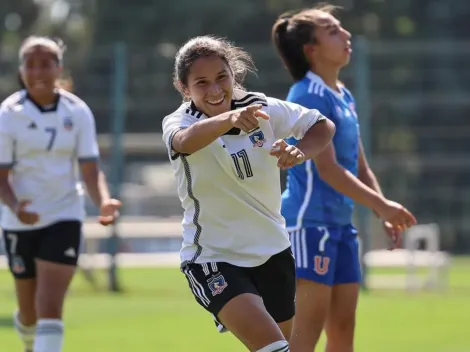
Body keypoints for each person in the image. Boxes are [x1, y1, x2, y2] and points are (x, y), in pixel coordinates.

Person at [163, 35, 335, 352]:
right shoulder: (180, 121)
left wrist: (299, 152)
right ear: (184, 88)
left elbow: (321, 125)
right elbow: (184, 141)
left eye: (221, 78)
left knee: (274, 347)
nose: (214, 90)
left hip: (273, 252)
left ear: (233, 75)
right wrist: (227, 118)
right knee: (274, 349)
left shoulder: (262, 108)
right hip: (213, 258)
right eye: (201, 83)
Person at [272, 5, 417, 352]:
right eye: (333, 30)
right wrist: (382, 205)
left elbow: (359, 166)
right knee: (305, 335)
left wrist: (381, 210)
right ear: (312, 49)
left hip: (341, 227)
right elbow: (329, 169)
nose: (346, 34)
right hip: (309, 227)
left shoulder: (344, 95)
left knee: (343, 331)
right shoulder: (307, 94)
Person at [0, 36, 121, 352]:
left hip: (64, 215)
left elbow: (91, 170)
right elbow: (1, 177)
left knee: (50, 307)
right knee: (29, 314)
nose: (39, 70)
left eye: (46, 63)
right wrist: (15, 205)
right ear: (21, 70)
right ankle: (28, 340)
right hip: (19, 221)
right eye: (31, 63)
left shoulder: (77, 111)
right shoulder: (9, 113)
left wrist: (103, 202)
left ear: (59, 68)